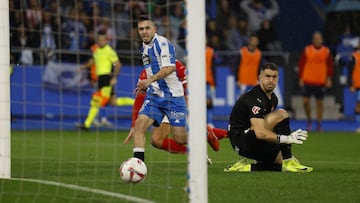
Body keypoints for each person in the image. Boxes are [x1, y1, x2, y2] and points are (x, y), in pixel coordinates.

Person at [132, 15, 219, 162]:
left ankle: (202, 133)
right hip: (155, 96)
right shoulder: (144, 47)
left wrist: (150, 80)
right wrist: (145, 85)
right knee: (140, 125)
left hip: (173, 97)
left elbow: (170, 67)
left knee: (180, 138)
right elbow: (151, 70)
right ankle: (137, 164)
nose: (144, 31)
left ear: (154, 29)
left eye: (147, 28)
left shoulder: (163, 44)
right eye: (141, 29)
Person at [225, 63, 313, 172]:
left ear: (278, 79)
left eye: (274, 77)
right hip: (242, 141)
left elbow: (269, 127)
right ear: (260, 77)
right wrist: (286, 139)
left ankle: (246, 167)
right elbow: (260, 133)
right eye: (267, 76)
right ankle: (288, 160)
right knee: (282, 113)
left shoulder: (273, 99)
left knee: (279, 163)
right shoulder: (254, 98)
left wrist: (282, 139)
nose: (271, 80)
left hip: (252, 140)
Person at [75, 31, 134, 130]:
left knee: (96, 101)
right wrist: (83, 67)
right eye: (99, 40)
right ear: (97, 41)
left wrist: (114, 77)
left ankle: (86, 125)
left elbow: (117, 64)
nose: (102, 42)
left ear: (106, 40)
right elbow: (92, 61)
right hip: (100, 79)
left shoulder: (109, 51)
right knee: (113, 102)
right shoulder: (96, 51)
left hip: (106, 78)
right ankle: (137, 102)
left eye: (103, 40)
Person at [298, 31, 334, 131]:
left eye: (319, 38)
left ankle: (318, 123)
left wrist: (329, 79)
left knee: (320, 103)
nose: (318, 40)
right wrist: (300, 78)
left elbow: (330, 66)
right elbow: (301, 64)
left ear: (322, 40)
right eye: (316, 38)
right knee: (305, 102)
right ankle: (309, 119)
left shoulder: (326, 51)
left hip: (320, 81)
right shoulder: (307, 50)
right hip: (308, 80)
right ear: (313, 40)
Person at [348, 42, 360, 133]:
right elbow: (349, 71)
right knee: (358, 105)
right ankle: (358, 125)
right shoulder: (354, 56)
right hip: (358, 85)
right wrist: (350, 84)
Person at [206, 44, 216, 127]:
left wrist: (214, 82)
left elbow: (214, 67)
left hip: (209, 81)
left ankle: (209, 122)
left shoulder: (211, 51)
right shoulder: (193, 50)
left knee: (209, 103)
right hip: (196, 81)